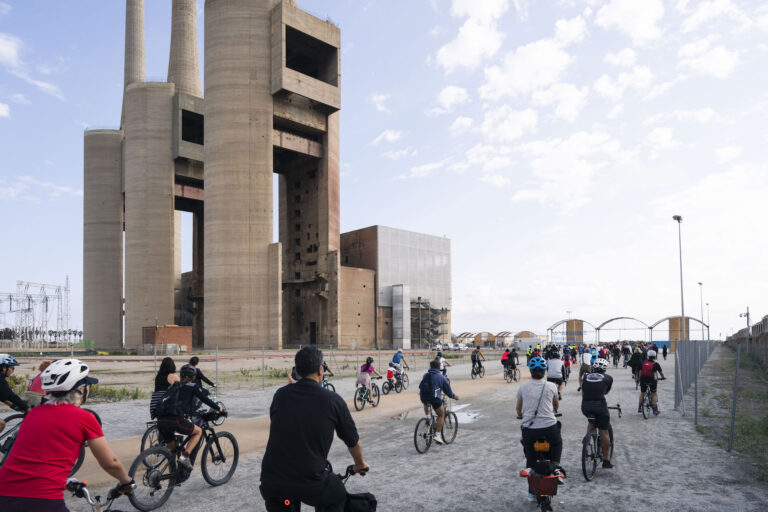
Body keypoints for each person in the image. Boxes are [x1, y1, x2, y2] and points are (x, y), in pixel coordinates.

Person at [0, 358, 134, 511]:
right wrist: (126, 482)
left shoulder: (34, 414)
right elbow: (111, 463)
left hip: (4, 494)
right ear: (82, 390)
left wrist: (64, 480)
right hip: (43, 501)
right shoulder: (85, 418)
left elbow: (34, 459)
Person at [261, 347, 369, 511]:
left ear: (296, 371)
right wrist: (360, 464)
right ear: (321, 369)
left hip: (273, 482)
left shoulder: (280, 395)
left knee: (286, 502)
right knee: (337, 495)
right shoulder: (333, 400)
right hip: (311, 483)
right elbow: (353, 442)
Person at [156, 364, 225, 471]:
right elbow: (206, 399)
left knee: (172, 452)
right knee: (198, 432)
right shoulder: (193, 386)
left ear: (181, 375)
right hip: (175, 419)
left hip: (161, 421)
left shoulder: (174, 385)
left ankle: (173, 479)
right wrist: (219, 409)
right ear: (193, 377)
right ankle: (185, 456)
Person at [516, 356, 563, 501]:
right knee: (557, 442)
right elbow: (556, 405)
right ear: (545, 371)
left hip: (530, 429)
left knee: (528, 447)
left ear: (530, 371)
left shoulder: (523, 387)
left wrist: (520, 415)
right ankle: (555, 465)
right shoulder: (552, 386)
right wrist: (554, 409)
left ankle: (530, 468)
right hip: (549, 426)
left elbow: (518, 409)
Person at [581, 358, 614, 468]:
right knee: (604, 432)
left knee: (591, 421)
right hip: (600, 406)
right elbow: (606, 392)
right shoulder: (609, 378)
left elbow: (583, 392)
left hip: (585, 406)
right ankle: (605, 460)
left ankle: (587, 441)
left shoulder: (585, 377)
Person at [418, 360, 459, 445]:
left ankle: (428, 418)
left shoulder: (426, 375)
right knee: (441, 415)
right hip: (434, 398)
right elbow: (448, 392)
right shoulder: (441, 377)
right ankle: (437, 435)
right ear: (439, 368)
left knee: (426, 401)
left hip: (423, 397)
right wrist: (454, 396)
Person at [638, 350, 665, 416]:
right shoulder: (656, 364)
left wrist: (640, 378)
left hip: (643, 379)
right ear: (655, 356)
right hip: (652, 380)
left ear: (648, 356)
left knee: (642, 393)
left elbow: (640, 372)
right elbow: (661, 372)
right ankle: (655, 410)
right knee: (654, 394)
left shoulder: (643, 363)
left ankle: (639, 408)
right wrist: (663, 377)